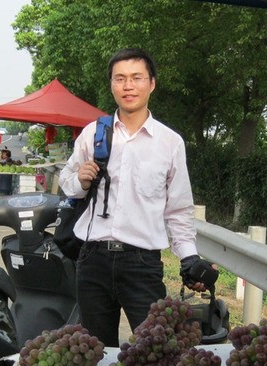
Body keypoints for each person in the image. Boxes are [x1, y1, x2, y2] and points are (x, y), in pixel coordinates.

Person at [59, 47, 217, 348]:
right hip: (92, 260)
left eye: (136, 78)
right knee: (95, 353)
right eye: (120, 79)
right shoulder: (93, 134)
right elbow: (66, 183)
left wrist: (188, 258)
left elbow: (179, 209)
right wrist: (79, 180)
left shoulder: (170, 142)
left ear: (152, 84)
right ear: (111, 84)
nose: (128, 86)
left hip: (142, 263)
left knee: (155, 353)